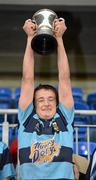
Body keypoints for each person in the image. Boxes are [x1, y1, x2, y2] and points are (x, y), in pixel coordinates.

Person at [18, 16, 74, 179]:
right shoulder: (27, 118)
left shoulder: (64, 117)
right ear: (34, 105)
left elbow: (64, 79)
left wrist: (59, 39)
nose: (46, 103)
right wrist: (29, 39)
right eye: (41, 100)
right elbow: (27, 79)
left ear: (58, 104)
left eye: (51, 99)